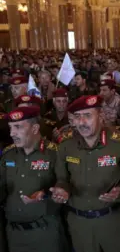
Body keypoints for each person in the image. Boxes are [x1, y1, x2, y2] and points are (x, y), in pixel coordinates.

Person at [51, 95, 120, 252]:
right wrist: (62, 189)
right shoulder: (65, 145)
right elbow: (62, 178)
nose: (82, 122)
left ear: (101, 116)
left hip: (113, 222)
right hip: (80, 224)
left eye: (87, 116)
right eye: (77, 117)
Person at [0, 106, 65, 252]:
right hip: (14, 235)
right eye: (10, 128)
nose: (12, 133)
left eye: (17, 127)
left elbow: (65, 185)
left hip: (45, 233)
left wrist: (47, 194)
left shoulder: (55, 153)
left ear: (35, 128)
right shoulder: (8, 155)